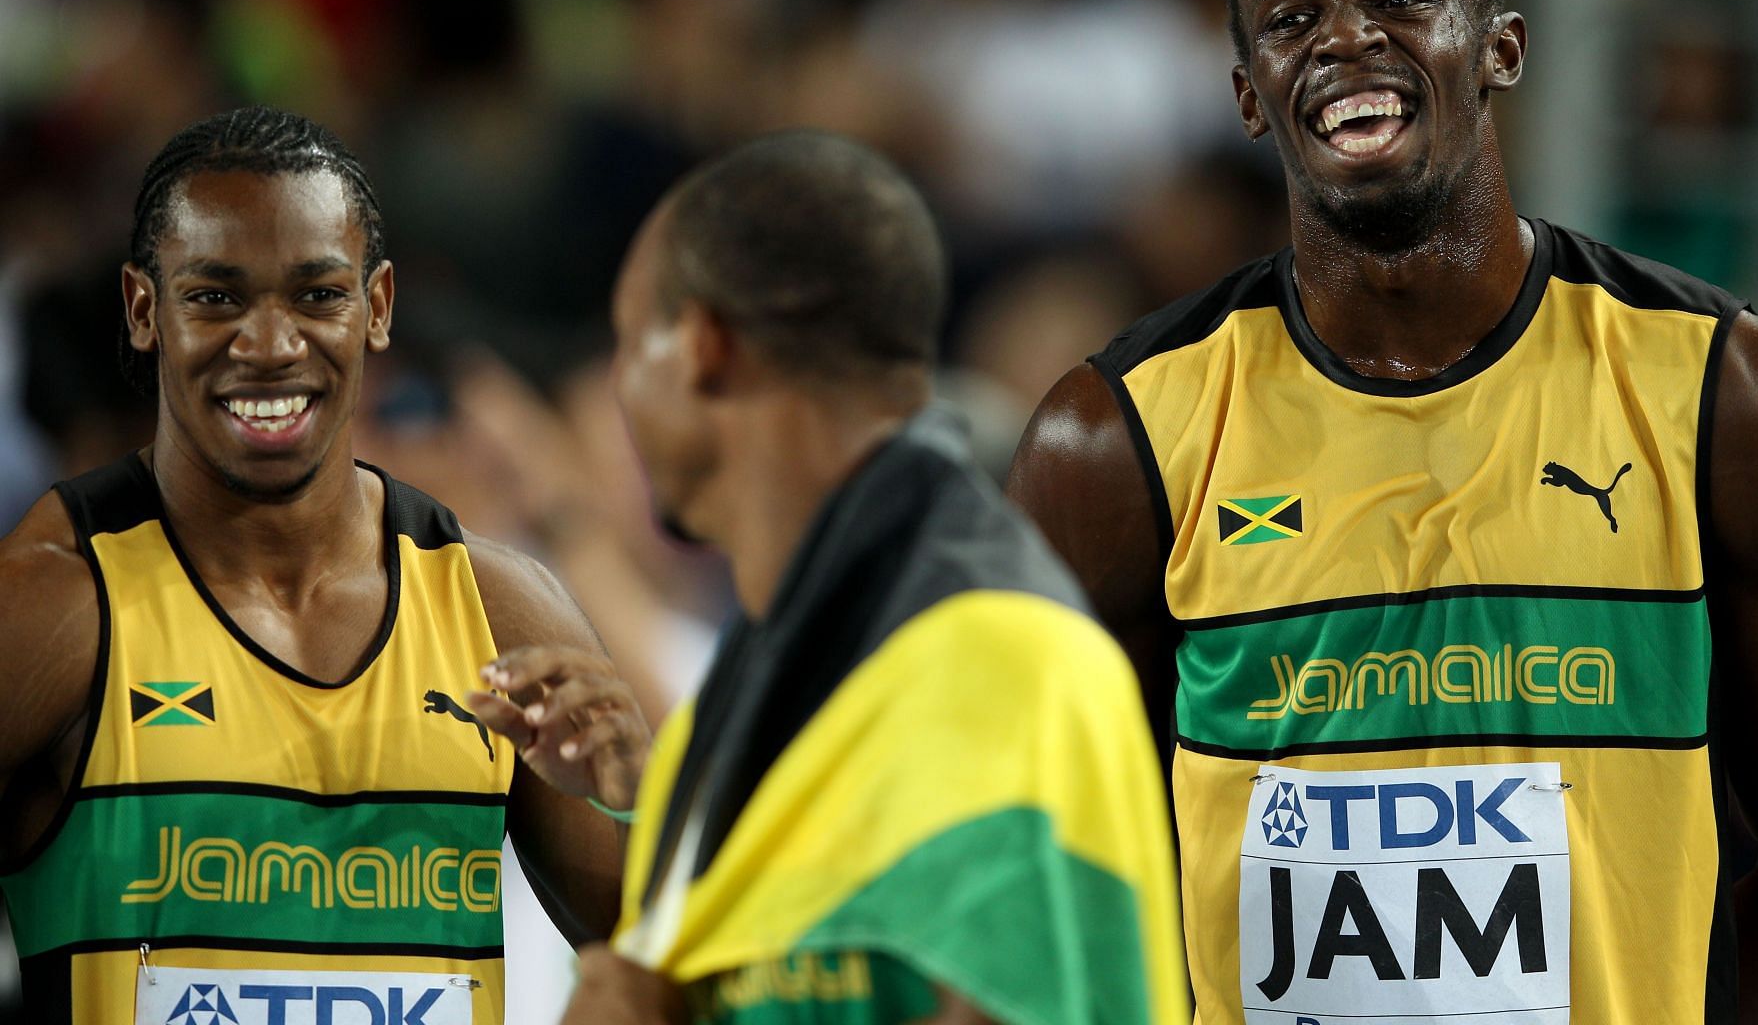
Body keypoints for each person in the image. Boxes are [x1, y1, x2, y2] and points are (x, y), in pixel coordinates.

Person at [1008, 0, 1758, 1024]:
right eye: (1292, 18)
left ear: (1502, 49)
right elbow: (1040, 859)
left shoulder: (1733, 392)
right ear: (1248, 94)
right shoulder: (1113, 438)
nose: (1345, 38)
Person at [515, 130, 1187, 1024]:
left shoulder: (999, 660)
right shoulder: (763, 682)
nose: (620, 398)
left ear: (702, 347)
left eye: (629, 345)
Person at [0, 107, 648, 1021]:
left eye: (317, 295)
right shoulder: (57, 606)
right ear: (145, 310)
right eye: (216, 296)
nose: (270, 346)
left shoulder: (494, 611)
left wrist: (633, 806)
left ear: (375, 307)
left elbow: (677, 973)